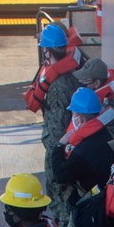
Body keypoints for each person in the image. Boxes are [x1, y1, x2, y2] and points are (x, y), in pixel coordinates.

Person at [51, 86, 114, 227]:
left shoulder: (85, 149)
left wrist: (58, 147)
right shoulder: (103, 134)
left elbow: (61, 175)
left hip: (89, 207)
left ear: (79, 117)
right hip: (100, 199)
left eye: (74, 114)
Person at [24, 22, 84, 216]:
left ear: (47, 52)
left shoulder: (57, 87)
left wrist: (56, 154)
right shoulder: (70, 76)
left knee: (58, 194)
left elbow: (58, 128)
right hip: (68, 145)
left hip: (58, 148)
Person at [76, 56, 114, 137]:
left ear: (96, 83)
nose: (80, 82)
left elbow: (110, 139)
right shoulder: (90, 102)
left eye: (84, 80)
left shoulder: (110, 111)